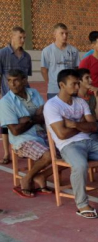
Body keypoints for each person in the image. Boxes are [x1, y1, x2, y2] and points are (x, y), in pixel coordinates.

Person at [43, 69, 98, 219]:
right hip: (68, 146)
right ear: (62, 85)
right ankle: (82, 204)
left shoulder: (80, 102)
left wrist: (74, 124)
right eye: (74, 84)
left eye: (78, 83)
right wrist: (82, 124)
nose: (78, 87)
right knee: (80, 165)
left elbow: (94, 126)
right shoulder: (52, 105)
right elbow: (62, 134)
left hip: (89, 142)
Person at [0, 69, 52, 197]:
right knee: (49, 155)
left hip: (42, 133)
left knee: (72, 151)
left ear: (24, 80)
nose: (12, 84)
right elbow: (15, 130)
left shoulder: (33, 93)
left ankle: (42, 176)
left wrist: (28, 119)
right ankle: (27, 178)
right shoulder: (5, 102)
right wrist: (36, 117)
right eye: (9, 81)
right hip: (23, 140)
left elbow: (45, 115)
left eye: (16, 80)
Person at [0, 26, 32, 165]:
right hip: (8, 95)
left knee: (25, 121)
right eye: (20, 37)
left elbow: (27, 77)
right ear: (12, 36)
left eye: (24, 37)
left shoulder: (27, 57)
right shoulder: (2, 54)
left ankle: (22, 148)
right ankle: (7, 153)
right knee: (6, 125)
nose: (23, 40)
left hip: (24, 95)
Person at [41, 23, 80, 100]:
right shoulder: (47, 51)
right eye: (62, 33)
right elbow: (44, 70)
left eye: (66, 33)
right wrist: (51, 83)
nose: (65, 36)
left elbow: (77, 68)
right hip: (54, 89)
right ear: (55, 34)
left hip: (70, 88)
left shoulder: (74, 50)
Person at [77, 68, 98, 142]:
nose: (91, 80)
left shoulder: (92, 97)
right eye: (87, 78)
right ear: (79, 81)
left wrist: (97, 97)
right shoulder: (75, 99)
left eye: (90, 77)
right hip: (86, 130)